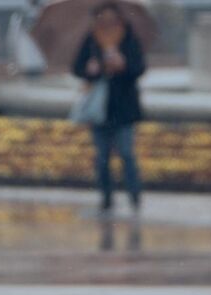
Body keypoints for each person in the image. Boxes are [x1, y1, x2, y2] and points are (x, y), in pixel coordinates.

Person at [73, 3, 147, 216]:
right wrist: (90, 69)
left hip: (123, 109)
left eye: (111, 19)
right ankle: (106, 198)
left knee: (126, 154)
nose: (106, 23)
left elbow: (139, 67)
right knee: (102, 157)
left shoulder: (128, 39)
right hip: (100, 111)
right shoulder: (91, 40)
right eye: (102, 19)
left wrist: (123, 65)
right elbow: (77, 68)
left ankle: (134, 196)